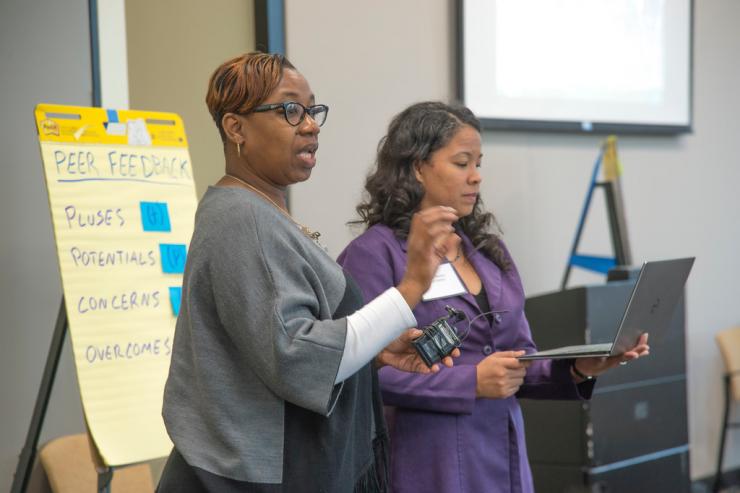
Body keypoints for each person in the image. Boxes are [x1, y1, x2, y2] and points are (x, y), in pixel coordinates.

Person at [157, 54, 460, 493]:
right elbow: (295, 356)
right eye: (289, 110)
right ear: (235, 128)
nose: (310, 125)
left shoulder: (260, 212)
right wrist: (412, 286)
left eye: (312, 110)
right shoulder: (242, 219)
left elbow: (278, 342)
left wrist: (375, 349)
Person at [337, 101, 650, 493]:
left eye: (478, 164)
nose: (476, 178)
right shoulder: (373, 254)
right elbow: (360, 376)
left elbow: (516, 358)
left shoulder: (488, 251)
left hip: (504, 453)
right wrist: (469, 381)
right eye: (462, 163)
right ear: (418, 167)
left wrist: (577, 368)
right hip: (428, 459)